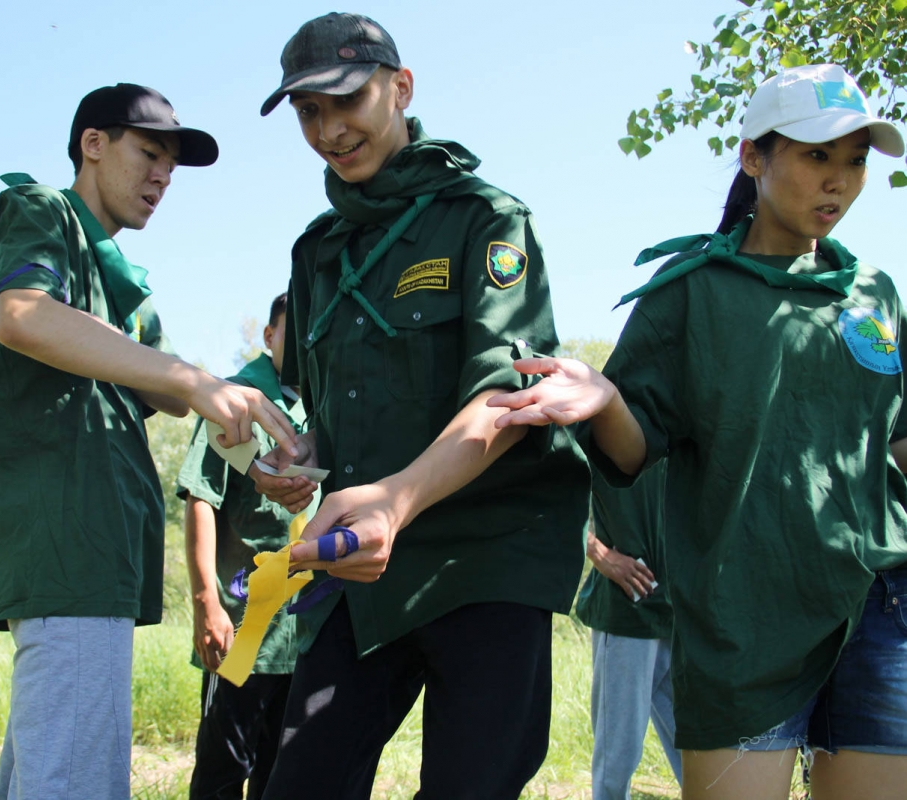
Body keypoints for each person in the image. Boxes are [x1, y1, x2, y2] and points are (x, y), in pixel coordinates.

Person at [487, 64, 907, 800]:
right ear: (753, 158)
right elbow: (634, 449)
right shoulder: (688, 291)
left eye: (854, 161)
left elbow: (892, 443)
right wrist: (604, 399)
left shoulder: (872, 293)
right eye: (815, 156)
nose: (837, 181)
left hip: (877, 607)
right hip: (743, 613)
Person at [252, 13, 591, 799]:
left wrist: (394, 501)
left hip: (484, 556)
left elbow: (508, 394)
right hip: (359, 566)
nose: (330, 130)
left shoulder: (484, 220)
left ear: (400, 88)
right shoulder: (316, 251)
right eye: (308, 112)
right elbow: (324, 409)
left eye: (347, 101)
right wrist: (297, 459)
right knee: (302, 780)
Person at [0, 82, 297, 800]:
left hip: (95, 549)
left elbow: (164, 397)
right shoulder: (41, 212)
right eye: (149, 153)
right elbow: (21, 315)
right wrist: (197, 382)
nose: (162, 176)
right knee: (75, 784)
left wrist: (249, 430)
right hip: (61, 539)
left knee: (35, 778)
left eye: (172, 165)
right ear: (93, 144)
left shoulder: (120, 278)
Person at [176, 292, 313, 800]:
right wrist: (206, 602)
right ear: (270, 336)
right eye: (291, 331)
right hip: (243, 625)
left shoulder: (324, 405)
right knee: (223, 767)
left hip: (305, 631)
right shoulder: (234, 399)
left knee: (282, 774)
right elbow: (200, 500)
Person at [577, 463, 681, 800]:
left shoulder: (684, 412)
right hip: (627, 609)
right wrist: (599, 553)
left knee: (696, 748)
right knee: (617, 762)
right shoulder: (601, 413)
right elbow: (550, 488)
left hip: (681, 609)